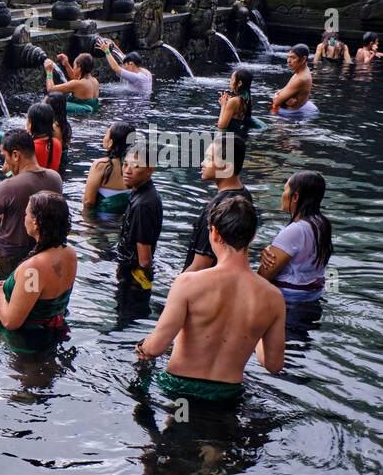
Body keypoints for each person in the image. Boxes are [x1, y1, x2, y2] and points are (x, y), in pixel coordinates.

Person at [136, 196, 285, 403]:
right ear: (252, 237)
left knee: (175, 429)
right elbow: (273, 365)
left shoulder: (188, 283)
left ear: (214, 232)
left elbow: (156, 348)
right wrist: (259, 331)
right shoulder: (273, 298)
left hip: (180, 391)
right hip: (228, 396)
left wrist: (143, 347)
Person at [0, 192, 77, 353]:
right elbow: (41, 291)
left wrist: (0, 294)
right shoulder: (69, 253)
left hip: (26, 344)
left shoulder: (33, 270)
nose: (24, 217)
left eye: (26, 214)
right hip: (52, 335)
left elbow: (11, 322)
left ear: (35, 222)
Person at [0, 129, 63, 257]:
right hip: (43, 250)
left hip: (11, 252)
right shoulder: (55, 178)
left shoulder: (9, 186)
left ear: (15, 155)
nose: (4, 165)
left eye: (5, 157)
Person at [258, 170, 333, 305]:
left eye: (285, 190)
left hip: (290, 301)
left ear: (295, 196)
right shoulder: (322, 224)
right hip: (313, 297)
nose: (282, 195)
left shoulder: (295, 230)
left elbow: (262, 277)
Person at [182, 134, 252, 273]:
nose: (202, 163)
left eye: (209, 159)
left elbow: (200, 266)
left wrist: (178, 287)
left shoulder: (217, 209)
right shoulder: (245, 197)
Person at [113, 148, 163, 294]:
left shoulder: (142, 205)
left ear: (150, 170)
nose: (128, 171)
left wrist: (140, 286)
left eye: (135, 166)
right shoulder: (144, 194)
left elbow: (145, 260)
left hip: (132, 278)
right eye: (125, 164)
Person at [82, 121, 136, 214]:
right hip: (122, 222)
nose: (104, 138)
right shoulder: (136, 167)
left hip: (100, 223)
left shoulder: (101, 165)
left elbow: (88, 202)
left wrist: (88, 225)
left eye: (106, 134)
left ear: (111, 142)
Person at [271, 44, 315, 116]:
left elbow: (276, 101)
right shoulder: (302, 71)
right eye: (288, 57)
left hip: (292, 116)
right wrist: (283, 98)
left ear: (303, 59)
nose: (288, 61)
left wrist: (276, 95)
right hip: (299, 110)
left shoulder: (301, 79)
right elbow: (286, 89)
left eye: (293, 57)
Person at [217, 66, 260, 139]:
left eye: (232, 80)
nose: (230, 82)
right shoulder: (248, 98)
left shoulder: (234, 101)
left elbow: (222, 126)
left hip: (228, 138)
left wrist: (223, 105)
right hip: (240, 137)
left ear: (239, 83)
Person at [26, 101, 63, 171]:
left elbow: (17, 173)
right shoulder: (57, 143)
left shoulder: (29, 148)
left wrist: (7, 172)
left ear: (30, 123)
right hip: (53, 180)